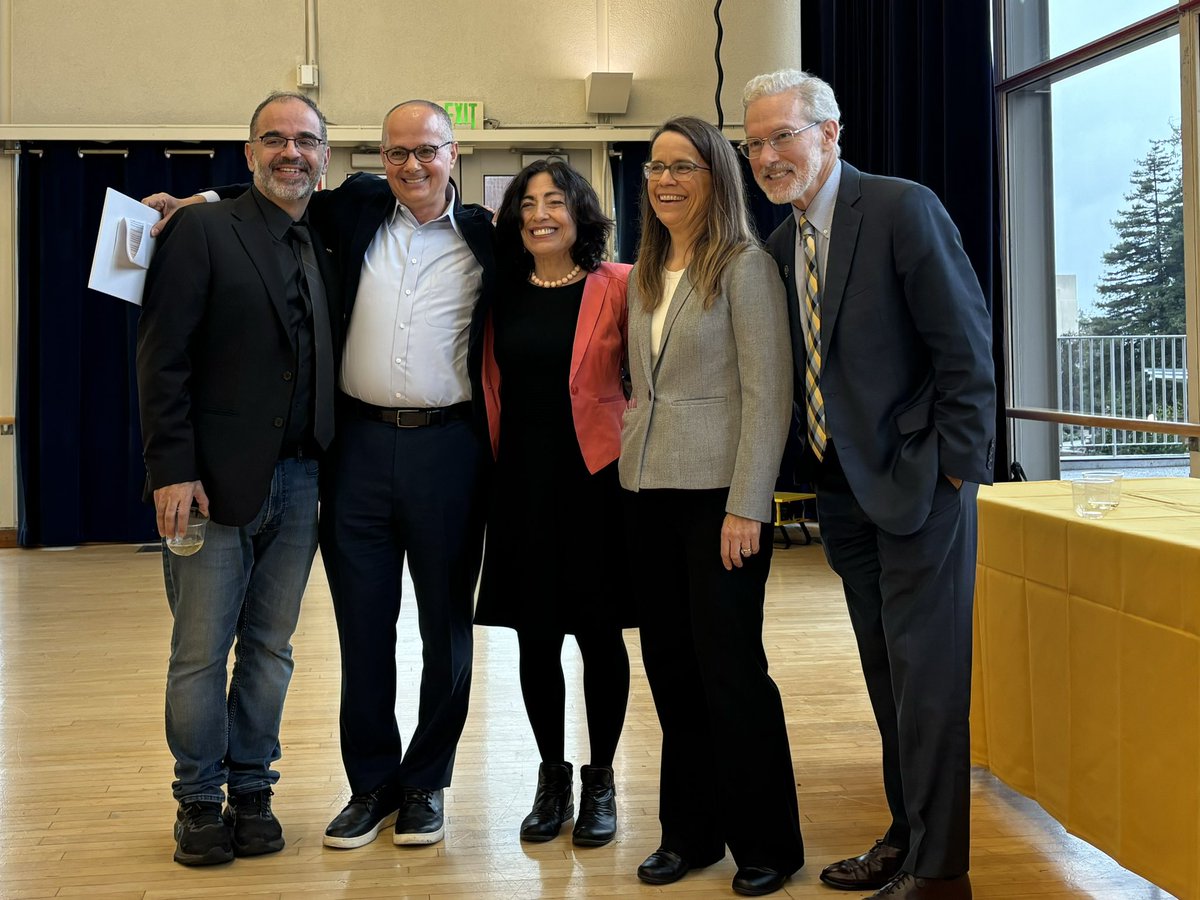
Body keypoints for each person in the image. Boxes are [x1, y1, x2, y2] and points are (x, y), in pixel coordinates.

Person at [144, 99, 496, 851]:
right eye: (396, 152)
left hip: (447, 453)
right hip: (356, 454)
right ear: (376, 159)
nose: (412, 165)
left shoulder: (486, 239)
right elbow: (273, 189)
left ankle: (424, 784)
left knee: (444, 634)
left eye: (427, 151)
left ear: (453, 152)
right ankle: (367, 785)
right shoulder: (355, 213)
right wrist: (195, 198)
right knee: (359, 633)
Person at [742, 69, 996, 900]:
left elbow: (966, 350)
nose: (771, 155)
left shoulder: (899, 208)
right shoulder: (779, 249)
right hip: (843, 496)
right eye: (756, 144)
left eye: (785, 135)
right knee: (887, 678)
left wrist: (955, 468)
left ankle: (940, 873)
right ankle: (907, 832)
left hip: (922, 488)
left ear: (831, 132)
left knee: (929, 683)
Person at [136, 91, 339, 866]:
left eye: (307, 141)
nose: (292, 153)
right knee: (198, 651)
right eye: (275, 140)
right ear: (248, 152)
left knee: (270, 650)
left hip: (298, 486)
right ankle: (198, 801)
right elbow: (163, 361)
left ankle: (254, 789)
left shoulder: (323, 239)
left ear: (324, 154)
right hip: (209, 490)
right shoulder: (200, 231)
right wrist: (172, 469)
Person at [619, 115, 804, 897]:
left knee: (731, 671)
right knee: (670, 672)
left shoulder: (746, 267)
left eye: (683, 166)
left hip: (719, 505)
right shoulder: (647, 270)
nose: (664, 180)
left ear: (716, 178)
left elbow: (769, 397)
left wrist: (747, 504)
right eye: (656, 167)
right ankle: (689, 835)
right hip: (647, 495)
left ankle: (768, 843)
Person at [474, 159, 633, 847]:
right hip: (520, 485)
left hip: (599, 484)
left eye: (555, 200)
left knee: (600, 636)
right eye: (527, 203)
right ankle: (551, 777)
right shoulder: (499, 292)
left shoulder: (621, 286)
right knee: (535, 638)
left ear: (580, 213)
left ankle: (601, 779)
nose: (541, 213)